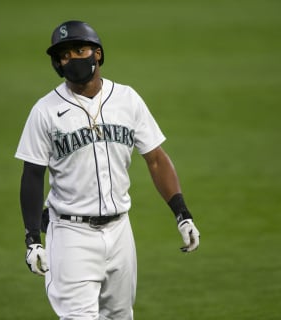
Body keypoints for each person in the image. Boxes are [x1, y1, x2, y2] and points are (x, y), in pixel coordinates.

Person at [15, 20, 200, 320]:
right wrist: (32, 239)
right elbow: (33, 175)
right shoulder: (45, 111)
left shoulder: (127, 99)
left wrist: (182, 213)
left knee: (120, 317)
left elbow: (155, 158)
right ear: (57, 64)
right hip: (71, 234)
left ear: (97, 54)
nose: (74, 59)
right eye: (65, 55)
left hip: (120, 233)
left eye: (80, 49)